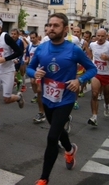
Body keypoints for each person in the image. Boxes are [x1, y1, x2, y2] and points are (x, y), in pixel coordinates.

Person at [27, 13, 96, 185]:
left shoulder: (73, 49)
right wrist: (34, 73)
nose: (51, 28)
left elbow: (92, 69)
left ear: (65, 29)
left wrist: (78, 80)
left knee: (52, 137)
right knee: (57, 130)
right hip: (47, 98)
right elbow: (29, 67)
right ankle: (70, 149)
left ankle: (44, 178)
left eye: (56, 25)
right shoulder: (42, 48)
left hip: (65, 99)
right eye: (49, 25)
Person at [0, 17, 23, 133]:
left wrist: (5, 58)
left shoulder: (6, 37)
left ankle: (18, 97)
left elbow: (19, 52)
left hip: (7, 71)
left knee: (6, 99)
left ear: (0, 26)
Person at [88, 29, 109, 126]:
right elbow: (90, 53)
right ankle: (94, 116)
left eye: (102, 36)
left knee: (106, 94)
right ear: (96, 36)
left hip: (107, 73)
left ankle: (106, 105)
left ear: (106, 36)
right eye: (98, 36)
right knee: (94, 94)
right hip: (96, 73)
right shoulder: (92, 45)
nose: (100, 38)